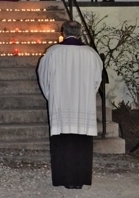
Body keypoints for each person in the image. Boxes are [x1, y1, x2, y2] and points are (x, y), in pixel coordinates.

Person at [37, 20, 103, 189]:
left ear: (63, 32)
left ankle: (62, 178)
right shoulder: (91, 54)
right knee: (81, 142)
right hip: (83, 105)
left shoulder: (52, 52)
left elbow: (43, 77)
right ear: (80, 33)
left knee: (62, 142)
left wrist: (51, 96)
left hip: (61, 105)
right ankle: (79, 179)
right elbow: (97, 80)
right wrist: (88, 95)